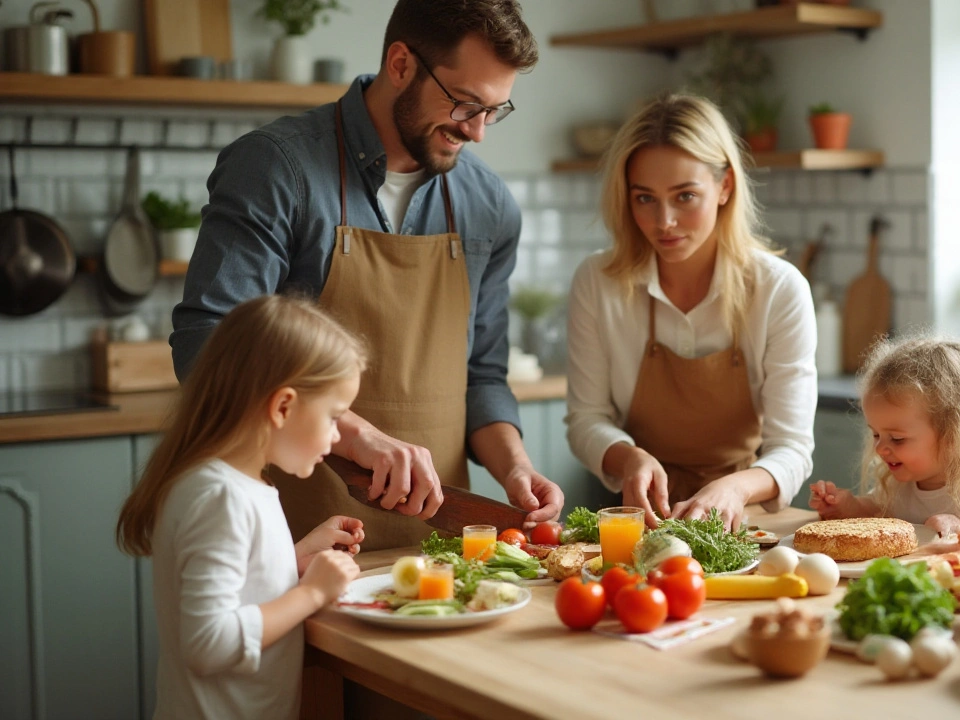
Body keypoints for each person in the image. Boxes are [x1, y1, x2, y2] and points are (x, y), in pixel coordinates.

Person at [169, 0, 563, 549]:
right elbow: (208, 347)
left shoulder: (488, 203)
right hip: (294, 542)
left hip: (446, 549)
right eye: (465, 104)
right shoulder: (276, 169)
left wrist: (514, 466)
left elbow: (481, 376)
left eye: (494, 110)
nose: (477, 133)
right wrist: (358, 437)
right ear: (400, 64)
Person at [566, 93, 818, 531]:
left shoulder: (778, 289)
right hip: (639, 515)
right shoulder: (597, 281)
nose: (664, 221)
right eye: (645, 198)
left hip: (741, 518)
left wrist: (735, 488)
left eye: (685, 196)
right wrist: (629, 459)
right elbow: (586, 420)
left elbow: (792, 448)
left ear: (725, 187)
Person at [117, 295, 366, 719]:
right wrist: (310, 593)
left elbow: (237, 587)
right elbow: (208, 644)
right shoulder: (219, 498)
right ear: (283, 406)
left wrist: (296, 558)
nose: (336, 437)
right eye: (333, 417)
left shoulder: (235, 486)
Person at [808, 335, 960, 547]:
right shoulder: (899, 484)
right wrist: (849, 507)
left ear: (953, 436)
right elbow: (878, 510)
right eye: (876, 434)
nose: (880, 448)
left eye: (897, 439)